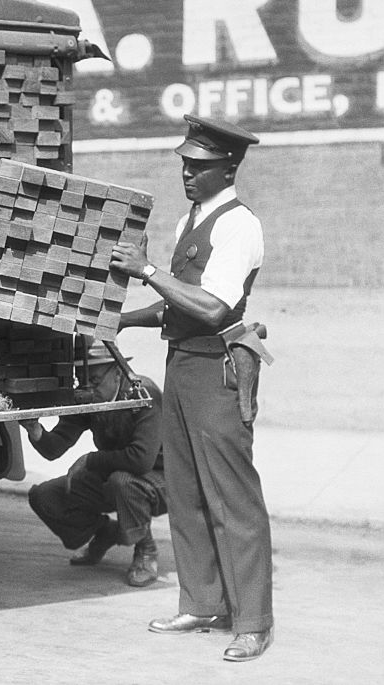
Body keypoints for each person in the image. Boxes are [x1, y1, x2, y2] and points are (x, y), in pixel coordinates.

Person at [110, 115, 274, 663]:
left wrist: (149, 268)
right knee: (186, 494)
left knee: (233, 498)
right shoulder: (190, 221)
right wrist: (123, 319)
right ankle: (202, 602)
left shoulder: (238, 225)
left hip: (217, 371)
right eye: (184, 163)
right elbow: (177, 302)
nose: (187, 173)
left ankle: (252, 621)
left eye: (199, 166)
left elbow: (213, 305)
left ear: (228, 167)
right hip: (182, 364)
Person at [22, 342, 165, 587]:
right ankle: (105, 532)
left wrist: (91, 459)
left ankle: (146, 550)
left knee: (123, 482)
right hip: (115, 477)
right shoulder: (91, 396)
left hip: (164, 479)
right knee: (46, 495)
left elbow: (141, 460)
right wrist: (35, 430)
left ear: (118, 373)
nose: (89, 388)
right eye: (83, 381)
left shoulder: (143, 393)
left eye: (96, 381)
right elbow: (54, 447)